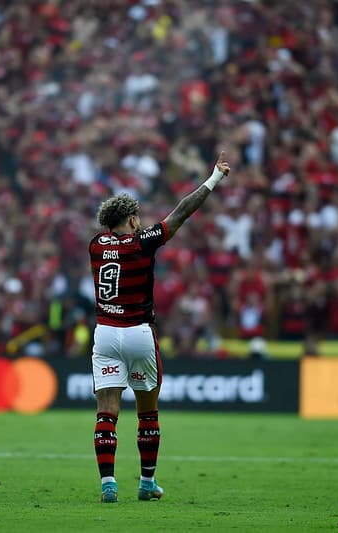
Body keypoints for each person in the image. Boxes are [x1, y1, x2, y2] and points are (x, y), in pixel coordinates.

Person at [89, 151, 231, 503]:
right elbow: (182, 210)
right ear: (133, 219)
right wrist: (214, 178)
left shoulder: (95, 245)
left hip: (106, 332)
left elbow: (113, 244)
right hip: (138, 332)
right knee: (147, 412)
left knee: (106, 412)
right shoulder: (143, 241)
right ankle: (147, 482)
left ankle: (108, 485)